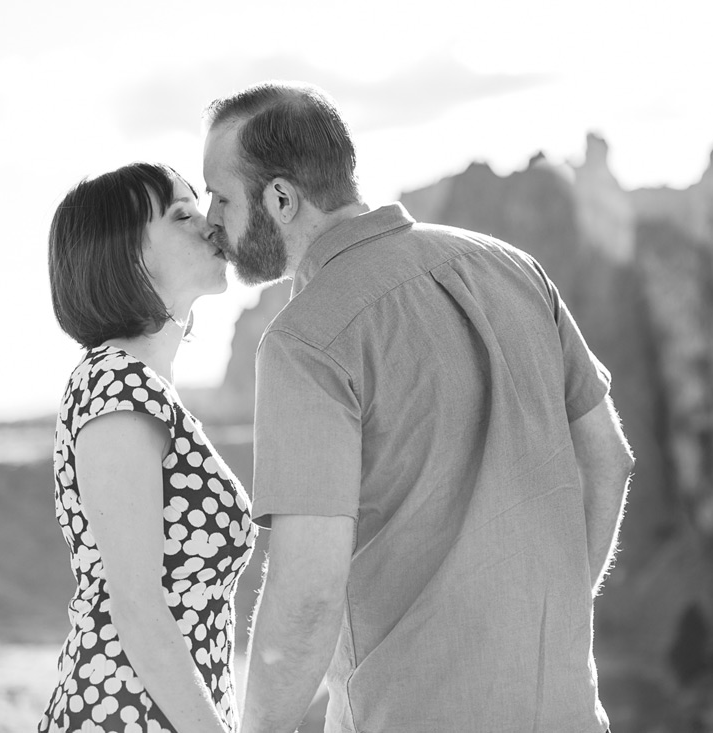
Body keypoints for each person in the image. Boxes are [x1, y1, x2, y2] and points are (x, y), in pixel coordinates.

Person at [203, 82, 634, 733]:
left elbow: (308, 594)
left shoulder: (303, 343)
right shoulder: (515, 268)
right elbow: (609, 459)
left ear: (282, 199)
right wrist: (554, 617)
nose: (211, 219)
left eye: (222, 197)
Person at [40, 162, 257, 733]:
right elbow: (137, 611)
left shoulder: (141, 388)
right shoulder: (116, 386)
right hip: (125, 716)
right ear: (128, 258)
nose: (211, 224)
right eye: (182, 215)